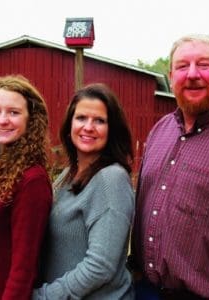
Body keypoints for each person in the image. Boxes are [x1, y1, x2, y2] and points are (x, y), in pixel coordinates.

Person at [130, 34, 209, 299]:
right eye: (183, 66)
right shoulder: (160, 130)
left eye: (204, 64)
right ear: (171, 75)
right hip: (144, 289)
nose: (193, 74)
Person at [32, 83, 135, 299]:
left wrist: (44, 296)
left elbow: (101, 266)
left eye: (99, 121)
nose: (88, 127)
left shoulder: (111, 179)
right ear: (70, 124)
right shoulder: (67, 175)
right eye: (81, 118)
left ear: (112, 129)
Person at [0, 75, 53, 300]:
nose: (2, 120)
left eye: (13, 112)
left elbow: (23, 270)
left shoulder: (31, 180)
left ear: (30, 119)